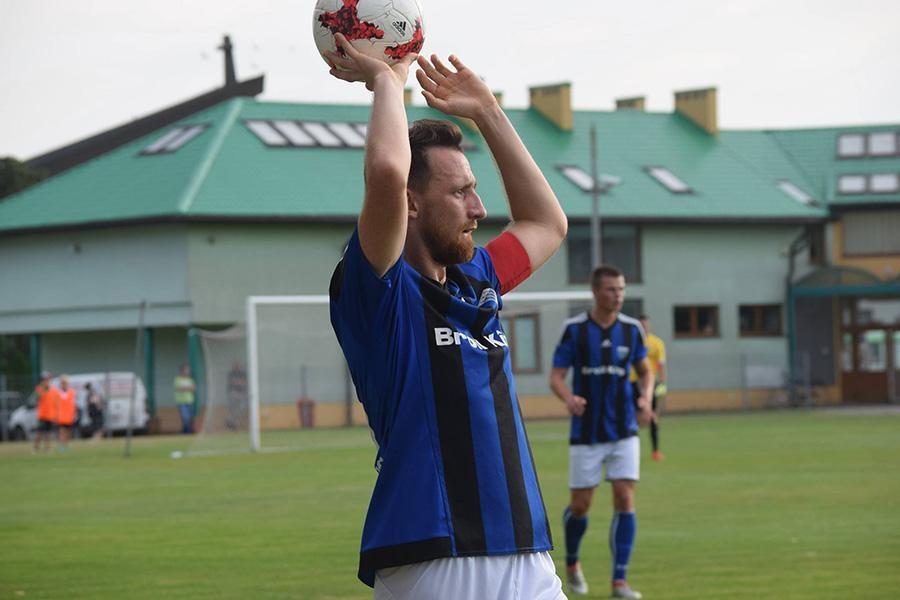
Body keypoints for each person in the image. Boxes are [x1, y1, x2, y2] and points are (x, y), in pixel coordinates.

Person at [325, 33, 568, 599]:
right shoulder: (380, 290)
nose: (479, 209)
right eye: (461, 193)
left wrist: (488, 112)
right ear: (412, 204)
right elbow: (388, 173)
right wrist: (388, 81)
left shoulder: (475, 278)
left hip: (526, 549)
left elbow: (546, 223)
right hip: (432, 555)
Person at [549, 265, 654, 599]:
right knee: (581, 505)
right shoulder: (575, 330)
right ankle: (572, 562)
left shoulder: (632, 330)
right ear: (595, 292)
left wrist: (646, 397)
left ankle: (619, 581)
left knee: (624, 497)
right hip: (587, 430)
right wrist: (569, 398)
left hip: (624, 429)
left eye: (621, 289)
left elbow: (646, 372)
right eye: (611, 289)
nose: (618, 295)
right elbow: (556, 377)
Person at [630, 315, 667, 461]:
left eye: (646, 325)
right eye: (641, 325)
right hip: (631, 383)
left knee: (651, 416)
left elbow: (660, 364)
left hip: (650, 384)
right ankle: (631, 450)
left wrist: (662, 383)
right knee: (632, 417)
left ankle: (655, 451)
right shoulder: (631, 341)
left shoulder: (657, 343)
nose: (644, 328)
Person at [33, 371, 58, 452]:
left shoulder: (53, 389)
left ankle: (47, 448)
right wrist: (44, 388)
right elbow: (37, 397)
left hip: (50, 415)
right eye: (45, 379)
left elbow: (56, 401)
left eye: (48, 379)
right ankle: (36, 448)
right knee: (39, 432)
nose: (47, 380)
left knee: (49, 433)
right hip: (42, 415)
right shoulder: (39, 388)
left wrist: (56, 414)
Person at [56, 375, 77, 450]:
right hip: (61, 416)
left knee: (68, 432)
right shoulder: (58, 393)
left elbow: (73, 404)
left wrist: (74, 414)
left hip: (69, 416)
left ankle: (66, 446)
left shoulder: (71, 392)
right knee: (62, 431)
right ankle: (62, 447)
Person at [173, 365, 196, 434]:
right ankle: (187, 431)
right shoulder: (177, 379)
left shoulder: (190, 379)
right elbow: (178, 388)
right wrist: (188, 388)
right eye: (185, 370)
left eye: (188, 370)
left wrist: (185, 388)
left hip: (190, 401)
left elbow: (194, 388)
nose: (187, 372)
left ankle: (186, 431)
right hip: (181, 402)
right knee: (185, 417)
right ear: (181, 371)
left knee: (190, 417)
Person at [225, 361, 247, 431]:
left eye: (238, 365)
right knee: (233, 408)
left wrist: (238, 382)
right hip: (233, 392)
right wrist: (238, 382)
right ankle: (233, 423)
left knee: (242, 407)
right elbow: (232, 382)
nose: (237, 367)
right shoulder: (231, 373)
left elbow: (243, 382)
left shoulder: (243, 373)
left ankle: (231, 421)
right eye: (236, 365)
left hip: (241, 393)